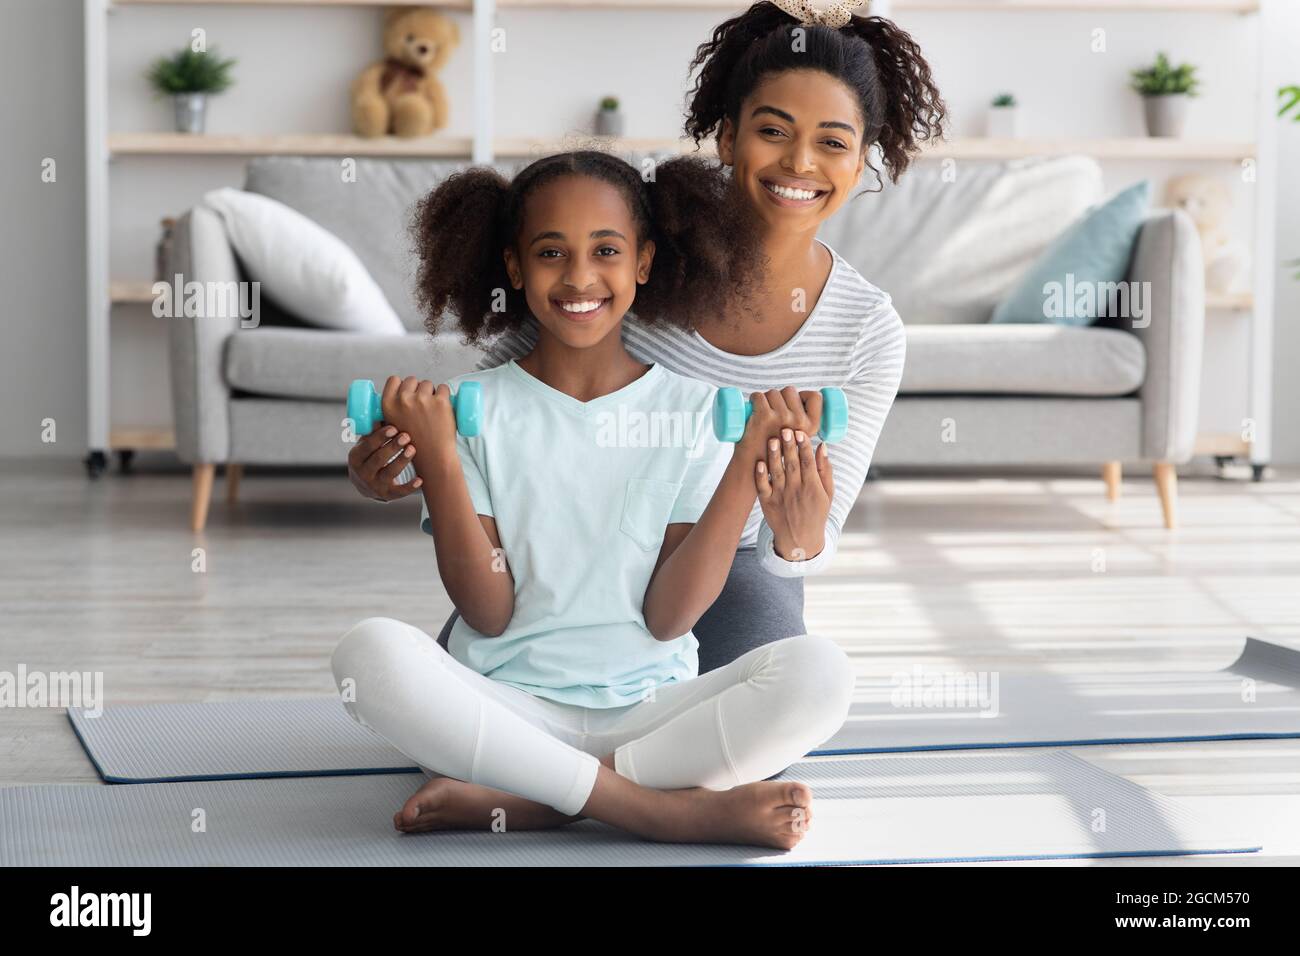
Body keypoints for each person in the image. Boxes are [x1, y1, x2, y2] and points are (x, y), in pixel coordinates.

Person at [349, 1, 947, 672]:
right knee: (444, 703)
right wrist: (401, 459)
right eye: (773, 131)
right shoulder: (634, 256)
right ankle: (611, 774)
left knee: (779, 712)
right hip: (559, 553)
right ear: (728, 137)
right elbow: (505, 390)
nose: (799, 162)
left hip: (726, 565)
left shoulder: (868, 330)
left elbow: (809, 543)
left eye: (833, 142)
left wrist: (799, 535)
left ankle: (583, 770)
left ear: (862, 160)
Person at [333, 150, 855, 848]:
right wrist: (438, 458)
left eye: (605, 250)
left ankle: (543, 799)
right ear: (516, 270)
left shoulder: (699, 413)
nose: (579, 276)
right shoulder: (471, 410)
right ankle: (654, 810)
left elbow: (670, 622)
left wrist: (743, 467)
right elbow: (487, 612)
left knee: (822, 674)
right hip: (509, 711)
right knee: (367, 656)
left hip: (653, 716)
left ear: (642, 261)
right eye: (552, 253)